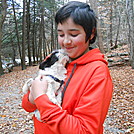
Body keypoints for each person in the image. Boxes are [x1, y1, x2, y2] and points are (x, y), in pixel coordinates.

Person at [22, 1, 113, 134]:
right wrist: (32, 97)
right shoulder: (55, 59)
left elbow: (84, 130)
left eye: (74, 34)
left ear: (91, 33)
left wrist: (41, 98)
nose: (66, 41)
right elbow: (27, 105)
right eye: (61, 34)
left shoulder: (97, 72)